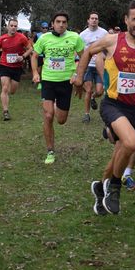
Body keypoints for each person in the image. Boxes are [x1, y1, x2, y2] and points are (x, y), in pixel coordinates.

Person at [74, 0, 135, 215]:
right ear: (126, 20)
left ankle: (101, 187)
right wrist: (79, 77)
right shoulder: (111, 41)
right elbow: (88, 52)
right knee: (132, 143)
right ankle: (114, 186)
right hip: (113, 104)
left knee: (120, 152)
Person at [30, 12, 85, 164]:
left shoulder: (74, 37)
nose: (61, 25)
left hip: (66, 83)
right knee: (48, 116)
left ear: (67, 24)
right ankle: (50, 151)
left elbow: (84, 56)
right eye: (58, 22)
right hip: (48, 81)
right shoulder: (44, 38)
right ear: (52, 23)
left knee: (61, 120)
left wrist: (78, 75)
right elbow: (34, 56)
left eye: (64, 22)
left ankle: (54, 106)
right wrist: (35, 73)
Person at [0, 19, 33, 121]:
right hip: (4, 66)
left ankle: (9, 92)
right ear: (8, 26)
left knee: (13, 91)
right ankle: (5, 112)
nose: (13, 28)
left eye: (15, 26)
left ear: (17, 27)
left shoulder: (22, 38)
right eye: (11, 25)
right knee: (5, 88)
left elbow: (30, 49)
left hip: (16, 67)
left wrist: (23, 56)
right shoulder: (2, 39)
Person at [79, 12, 108, 123]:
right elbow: (80, 51)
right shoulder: (82, 35)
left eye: (96, 18)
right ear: (88, 20)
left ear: (98, 21)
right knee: (89, 90)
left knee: (100, 91)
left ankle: (93, 98)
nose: (94, 20)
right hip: (88, 66)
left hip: (100, 65)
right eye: (92, 18)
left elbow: (107, 48)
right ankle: (86, 114)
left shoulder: (104, 33)